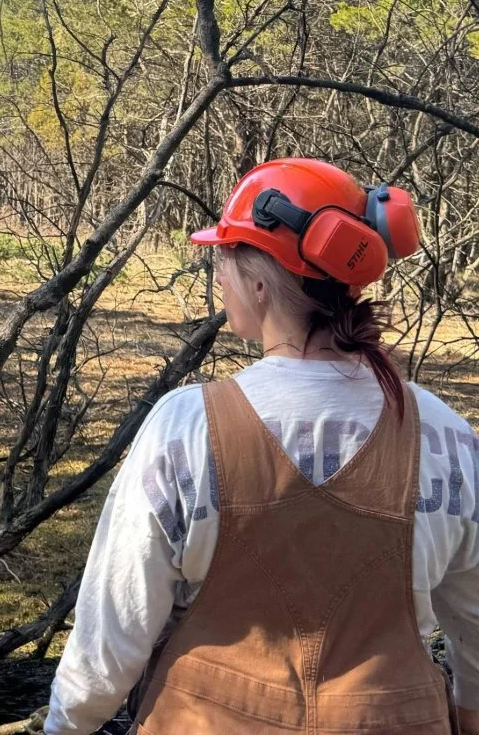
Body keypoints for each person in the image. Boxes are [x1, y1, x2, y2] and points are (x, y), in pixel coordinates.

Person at [45, 158, 479, 735]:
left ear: (257, 283)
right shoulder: (446, 436)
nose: (218, 276)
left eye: (223, 257)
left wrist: (65, 725)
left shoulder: (185, 428)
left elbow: (111, 638)